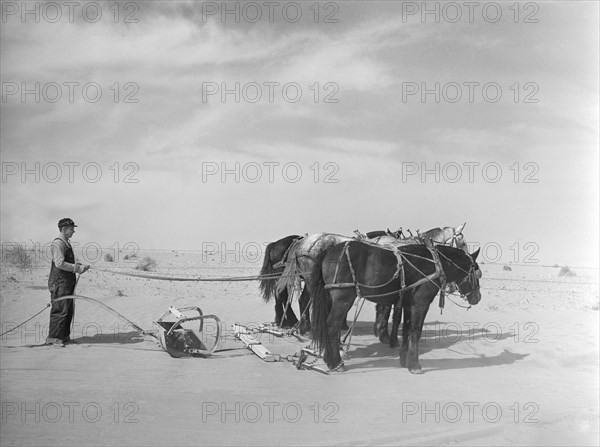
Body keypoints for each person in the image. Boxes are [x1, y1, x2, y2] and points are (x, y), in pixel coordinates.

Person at [46, 218, 90, 347]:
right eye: (72, 229)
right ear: (64, 229)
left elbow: (67, 263)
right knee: (60, 309)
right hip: (59, 282)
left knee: (68, 309)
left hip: (67, 281)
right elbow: (59, 263)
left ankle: (63, 337)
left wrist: (79, 266)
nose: (73, 231)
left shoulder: (66, 243)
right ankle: (54, 338)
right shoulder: (58, 243)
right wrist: (77, 268)